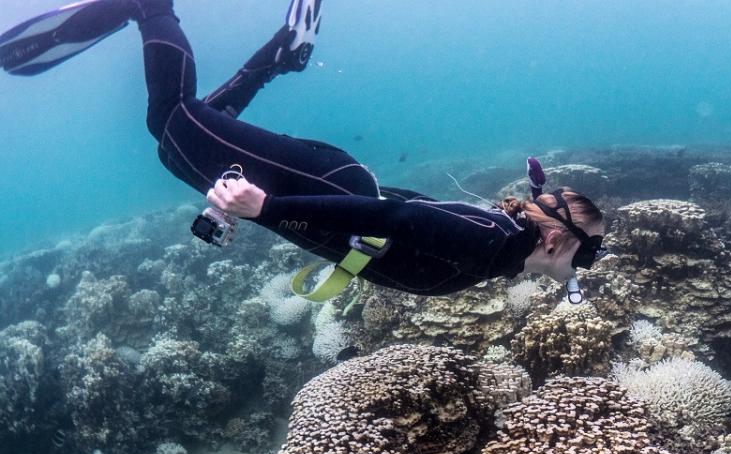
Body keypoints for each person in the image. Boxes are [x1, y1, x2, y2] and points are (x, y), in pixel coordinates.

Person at [0, 0, 606, 300]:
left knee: (176, 141)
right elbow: (393, 217)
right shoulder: (493, 241)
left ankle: (276, 56)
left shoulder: (502, 248)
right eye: (584, 258)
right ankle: (148, 6)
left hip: (323, 193)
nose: (581, 271)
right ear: (556, 239)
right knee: (172, 122)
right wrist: (266, 208)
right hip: (331, 187)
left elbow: (386, 232)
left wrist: (264, 211)